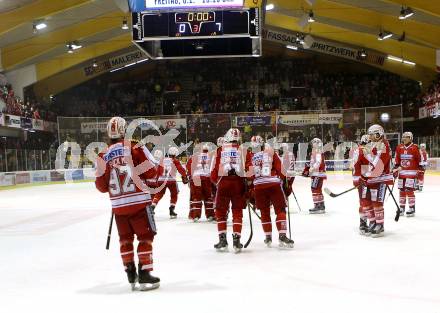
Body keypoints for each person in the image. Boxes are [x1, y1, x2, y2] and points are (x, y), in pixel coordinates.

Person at [95, 116, 160, 291]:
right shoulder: (134, 147)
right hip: (139, 203)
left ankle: (130, 272)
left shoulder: (103, 155)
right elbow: (151, 172)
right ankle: (145, 272)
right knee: (145, 237)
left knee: (125, 239)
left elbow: (101, 186)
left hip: (118, 207)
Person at [246, 136, 294, 248]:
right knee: (280, 209)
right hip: (274, 184)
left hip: (258, 187)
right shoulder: (271, 152)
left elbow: (249, 176)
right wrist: (286, 184)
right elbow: (281, 171)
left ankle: (268, 237)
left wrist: (249, 189)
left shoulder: (250, 156)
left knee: (264, 212)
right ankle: (282, 235)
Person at [211, 128, 247, 253]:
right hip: (237, 183)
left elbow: (213, 171)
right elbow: (247, 169)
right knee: (237, 212)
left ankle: (222, 240)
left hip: (223, 183)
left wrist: (217, 183)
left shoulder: (220, 150)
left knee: (220, 212)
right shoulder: (242, 150)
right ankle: (236, 240)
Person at [361, 124, 393, 237]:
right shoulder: (374, 145)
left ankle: (380, 224)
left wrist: (367, 156)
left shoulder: (384, 145)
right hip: (372, 178)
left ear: (378, 134)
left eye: (371, 134)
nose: (370, 137)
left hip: (381, 179)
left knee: (377, 202)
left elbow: (379, 164)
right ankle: (373, 222)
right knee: (368, 201)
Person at [151, 146, 188, 219]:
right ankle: (172, 209)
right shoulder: (175, 161)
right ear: (175, 154)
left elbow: (158, 170)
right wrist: (184, 176)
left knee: (159, 194)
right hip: (171, 180)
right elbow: (181, 170)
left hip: (161, 179)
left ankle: (152, 206)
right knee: (174, 194)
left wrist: (157, 179)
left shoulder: (162, 160)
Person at [393, 132, 420, 217]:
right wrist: (396, 170)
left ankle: (412, 208)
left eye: (406, 137)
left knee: (409, 190)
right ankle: (402, 208)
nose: (404, 138)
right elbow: (397, 160)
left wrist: (420, 171)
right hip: (402, 174)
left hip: (411, 174)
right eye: (403, 137)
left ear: (410, 138)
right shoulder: (399, 147)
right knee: (402, 191)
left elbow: (419, 159)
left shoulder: (415, 147)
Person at [186, 144, 215, 222]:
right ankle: (210, 215)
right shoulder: (211, 156)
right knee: (208, 197)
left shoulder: (194, 156)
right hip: (207, 178)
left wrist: (189, 176)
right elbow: (214, 167)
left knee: (196, 197)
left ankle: (195, 215)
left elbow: (189, 166)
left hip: (196, 178)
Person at [352, 135, 372, 235]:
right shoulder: (364, 150)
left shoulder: (358, 149)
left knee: (363, 201)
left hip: (358, 178)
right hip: (362, 179)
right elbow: (365, 167)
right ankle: (363, 224)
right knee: (365, 202)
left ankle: (364, 223)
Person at [303, 138, 327, 214]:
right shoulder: (316, 151)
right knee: (318, 189)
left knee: (314, 189)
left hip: (317, 174)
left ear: (317, 143)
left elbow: (318, 162)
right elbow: (313, 162)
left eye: (313, 143)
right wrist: (308, 168)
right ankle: (321, 205)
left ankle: (317, 206)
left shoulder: (317, 151)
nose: (312, 144)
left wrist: (312, 168)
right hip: (318, 174)